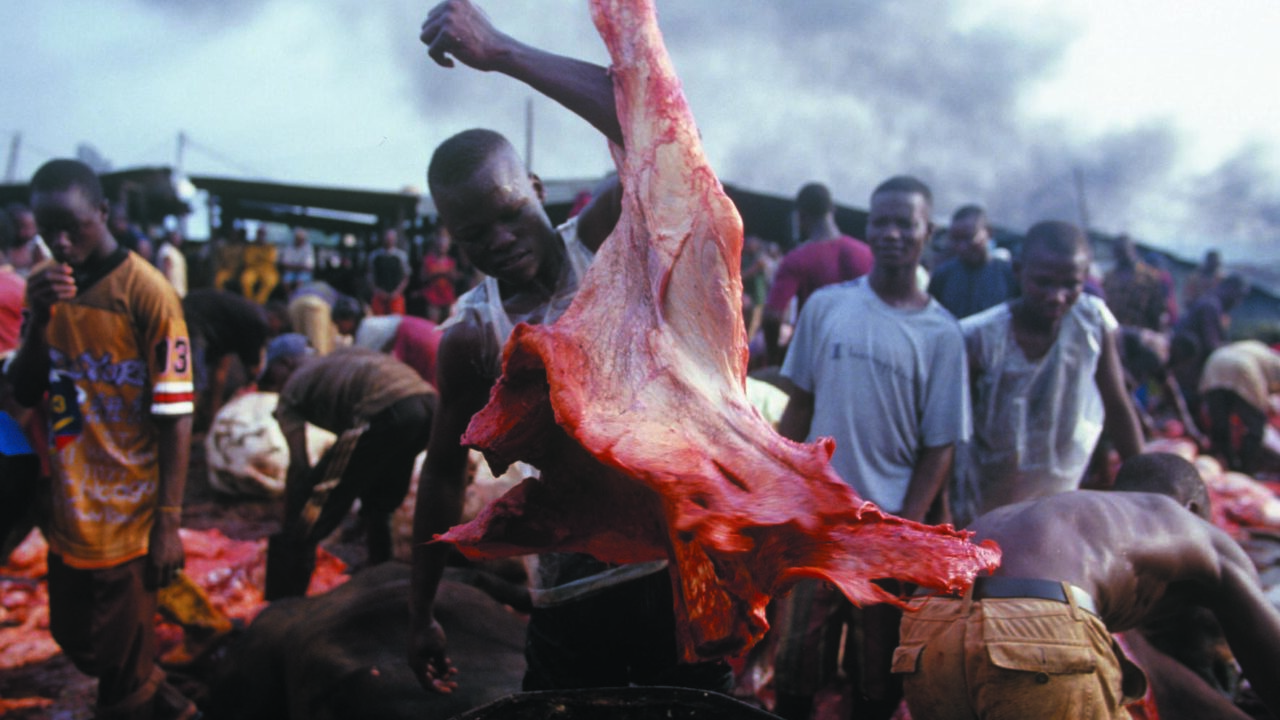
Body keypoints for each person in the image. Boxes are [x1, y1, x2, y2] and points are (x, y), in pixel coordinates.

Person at [409, 0, 732, 697]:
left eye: (509, 213)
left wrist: (502, 52)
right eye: (474, 235)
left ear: (534, 188)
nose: (499, 240)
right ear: (452, 240)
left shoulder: (609, 239)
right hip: (571, 589)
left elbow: (662, 130)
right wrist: (420, 609)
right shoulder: (474, 331)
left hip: (680, 562)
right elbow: (442, 474)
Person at [4, 159, 198, 719]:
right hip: (70, 503)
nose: (62, 243)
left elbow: (176, 415)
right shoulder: (46, 286)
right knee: (75, 638)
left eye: (74, 228)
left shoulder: (147, 291)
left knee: (119, 679)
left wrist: (168, 520)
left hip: (130, 512)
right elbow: (25, 386)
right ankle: (173, 704)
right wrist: (40, 318)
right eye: (49, 231)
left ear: (105, 213)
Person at [774, 175, 971, 720]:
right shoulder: (827, 308)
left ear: (927, 232)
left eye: (905, 223)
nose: (891, 234)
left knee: (878, 680)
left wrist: (903, 530)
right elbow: (800, 405)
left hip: (885, 527)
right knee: (796, 666)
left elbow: (939, 448)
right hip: (818, 522)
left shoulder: (941, 335)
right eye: (880, 222)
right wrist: (780, 488)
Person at [895, 452, 1280, 720]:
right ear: (1193, 509)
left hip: (926, 627)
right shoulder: (1190, 527)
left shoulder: (1077, 514)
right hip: (1031, 621)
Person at [953, 221, 1143, 525]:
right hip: (985, 498)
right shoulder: (980, 338)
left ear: (1085, 278)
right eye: (1043, 282)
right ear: (1018, 271)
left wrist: (1146, 486)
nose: (1056, 296)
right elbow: (952, 432)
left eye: (1070, 284)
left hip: (1058, 495)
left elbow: (1117, 403)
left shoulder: (1091, 322)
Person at [258, 338, 435, 599]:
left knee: (316, 497)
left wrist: (294, 518)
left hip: (385, 408)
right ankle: (381, 573)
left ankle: (287, 594)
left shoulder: (292, 390)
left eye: (272, 377)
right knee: (381, 497)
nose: (274, 386)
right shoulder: (337, 359)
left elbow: (299, 465)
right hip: (429, 405)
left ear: (284, 364)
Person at [761, 182, 873, 365]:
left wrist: (775, 355)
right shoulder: (867, 254)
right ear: (833, 209)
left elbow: (772, 316)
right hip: (859, 355)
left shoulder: (797, 258)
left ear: (800, 216)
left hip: (813, 357)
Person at [181, 288, 271, 430]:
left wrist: (214, 419)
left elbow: (220, 372)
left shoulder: (237, 324)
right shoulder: (258, 324)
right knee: (194, 380)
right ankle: (184, 428)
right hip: (193, 319)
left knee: (205, 377)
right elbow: (254, 370)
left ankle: (210, 423)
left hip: (203, 317)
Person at [1199, 340, 1280, 474]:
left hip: (1215, 363)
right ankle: (1246, 469)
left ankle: (1226, 463)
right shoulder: (1275, 361)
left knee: (1220, 424)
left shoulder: (1259, 350)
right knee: (1255, 426)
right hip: (1243, 367)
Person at [926, 205, 1017, 319]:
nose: (962, 247)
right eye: (956, 240)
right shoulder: (943, 276)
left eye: (968, 238)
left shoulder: (1008, 274)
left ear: (988, 232)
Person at [343, 309, 444, 386]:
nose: (338, 328)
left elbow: (360, 371)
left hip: (417, 340)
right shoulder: (370, 325)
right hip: (427, 333)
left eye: (338, 323)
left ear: (349, 320)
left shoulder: (364, 332)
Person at [1102, 234, 1168, 332]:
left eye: (1124, 250)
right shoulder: (1109, 278)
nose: (1121, 255)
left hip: (1142, 334)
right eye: (1118, 251)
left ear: (1133, 250)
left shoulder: (1149, 277)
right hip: (1116, 331)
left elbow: (1158, 311)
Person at [367, 228, 411, 316]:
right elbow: (369, 274)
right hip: (379, 295)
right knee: (378, 320)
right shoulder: (374, 256)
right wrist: (376, 290)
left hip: (396, 296)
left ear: (395, 240)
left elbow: (406, 277)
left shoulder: (401, 256)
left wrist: (397, 292)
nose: (389, 240)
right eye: (387, 238)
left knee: (397, 321)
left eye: (391, 238)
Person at [418, 231, 459, 323]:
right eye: (440, 243)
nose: (442, 246)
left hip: (448, 299)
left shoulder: (451, 261)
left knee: (449, 325)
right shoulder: (428, 260)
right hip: (432, 300)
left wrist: (451, 275)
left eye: (444, 244)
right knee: (433, 326)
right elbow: (422, 278)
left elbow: (455, 279)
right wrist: (435, 274)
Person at [240, 226, 279, 305]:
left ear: (265, 235)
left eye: (262, 234)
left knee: (270, 281)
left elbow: (271, 260)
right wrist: (261, 258)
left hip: (267, 270)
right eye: (259, 233)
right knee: (246, 280)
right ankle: (249, 302)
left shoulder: (270, 247)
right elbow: (248, 260)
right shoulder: (251, 246)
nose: (261, 236)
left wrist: (258, 258)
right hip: (253, 269)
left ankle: (259, 303)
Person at [279, 227, 316, 295]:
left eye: (301, 239)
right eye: (297, 238)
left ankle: (296, 297)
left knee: (300, 281)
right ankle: (290, 297)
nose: (299, 240)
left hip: (303, 273)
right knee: (285, 281)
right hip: (291, 272)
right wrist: (300, 266)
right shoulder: (289, 247)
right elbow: (285, 264)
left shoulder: (308, 247)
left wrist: (294, 266)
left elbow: (308, 267)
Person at [155, 228, 187, 298]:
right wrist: (168, 291)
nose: (179, 239)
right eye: (177, 236)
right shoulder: (167, 250)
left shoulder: (174, 250)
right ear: (172, 237)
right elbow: (167, 271)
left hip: (178, 292)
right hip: (172, 293)